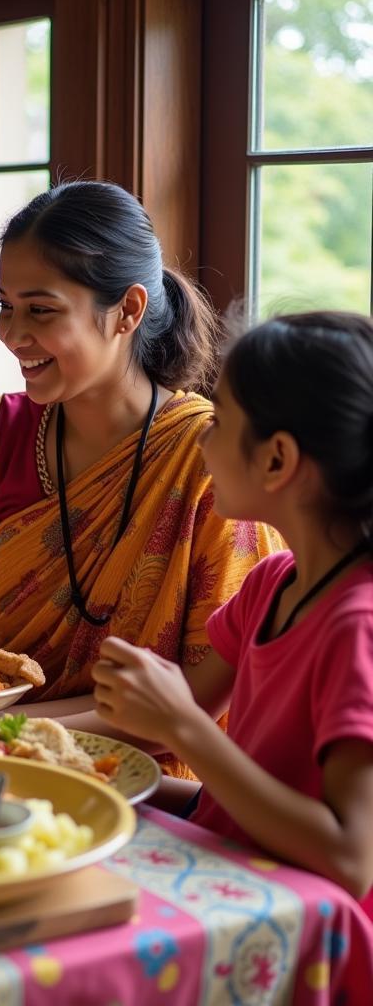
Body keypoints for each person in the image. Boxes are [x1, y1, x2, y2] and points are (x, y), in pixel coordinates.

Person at [0, 181, 282, 772]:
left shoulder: (210, 458)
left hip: (150, 785)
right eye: (5, 305)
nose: (12, 334)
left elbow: (197, 702)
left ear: (128, 311)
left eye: (41, 310)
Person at [93, 312, 373, 910]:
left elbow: (352, 861)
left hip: (298, 928)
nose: (200, 440)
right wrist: (70, 765)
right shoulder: (273, 582)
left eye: (218, 421)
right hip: (233, 877)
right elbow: (217, 782)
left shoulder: (358, 625)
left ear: (276, 460)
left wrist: (181, 729)